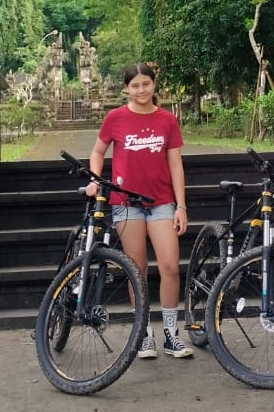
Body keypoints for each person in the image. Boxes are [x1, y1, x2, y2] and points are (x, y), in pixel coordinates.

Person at [85, 62, 193, 359]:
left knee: (170, 266)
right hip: (125, 203)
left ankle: (171, 334)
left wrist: (181, 205)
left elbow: (175, 164)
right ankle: (144, 333)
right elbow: (97, 152)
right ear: (127, 89)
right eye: (135, 85)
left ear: (154, 85)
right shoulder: (115, 118)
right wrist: (95, 180)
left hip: (161, 202)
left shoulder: (167, 120)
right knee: (138, 270)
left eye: (146, 84)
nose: (141, 90)